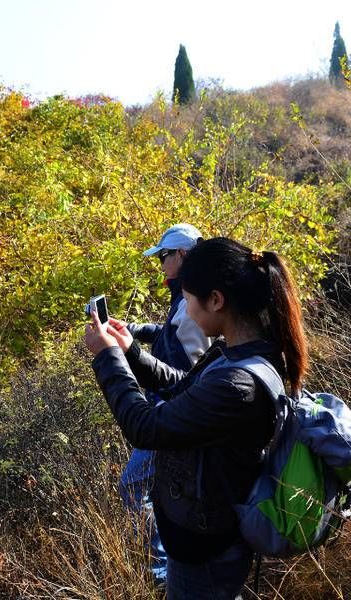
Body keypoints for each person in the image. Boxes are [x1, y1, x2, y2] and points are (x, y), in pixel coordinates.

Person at [84, 237, 309, 599]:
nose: (186, 311)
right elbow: (186, 387)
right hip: (208, 535)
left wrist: (107, 358)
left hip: (206, 549)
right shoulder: (239, 352)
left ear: (216, 300)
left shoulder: (239, 383)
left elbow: (145, 427)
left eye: (189, 301)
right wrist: (130, 352)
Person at [120, 223, 211, 584]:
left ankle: (160, 577)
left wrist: (125, 352)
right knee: (162, 490)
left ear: (183, 256)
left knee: (134, 487)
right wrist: (136, 329)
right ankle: (169, 571)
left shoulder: (191, 303)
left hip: (174, 411)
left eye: (164, 255)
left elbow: (185, 364)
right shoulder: (189, 297)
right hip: (174, 407)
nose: (160, 262)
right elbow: (172, 331)